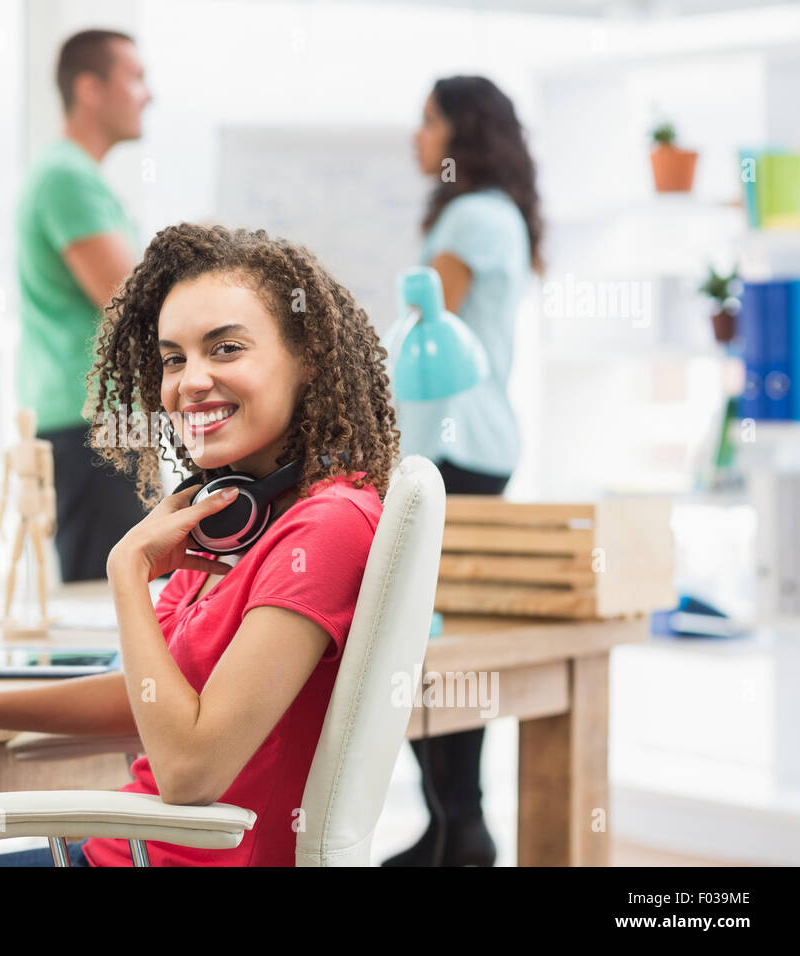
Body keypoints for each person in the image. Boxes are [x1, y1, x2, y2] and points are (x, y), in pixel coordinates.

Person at [0, 223, 402, 866]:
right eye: (174, 358)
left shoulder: (325, 526)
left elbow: (190, 770)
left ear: (307, 358)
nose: (190, 382)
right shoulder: (236, 513)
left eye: (225, 349)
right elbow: (148, 697)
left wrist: (127, 571)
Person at [383, 75, 545, 867]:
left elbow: (425, 318)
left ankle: (462, 826)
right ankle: (455, 825)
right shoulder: (486, 212)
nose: (417, 138)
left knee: (430, 643)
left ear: (463, 133)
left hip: (456, 449)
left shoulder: (475, 214)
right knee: (428, 641)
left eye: (427, 121)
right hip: (465, 448)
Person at [15, 29, 154, 583]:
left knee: (128, 594)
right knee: (114, 602)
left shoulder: (77, 177)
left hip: (102, 422)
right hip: (95, 424)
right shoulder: (67, 178)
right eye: (135, 78)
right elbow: (133, 303)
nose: (149, 94)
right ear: (90, 89)